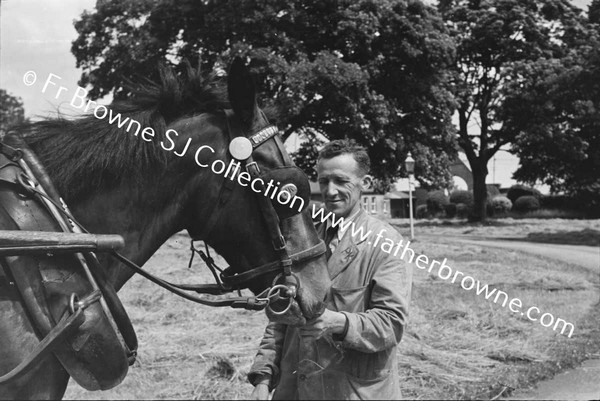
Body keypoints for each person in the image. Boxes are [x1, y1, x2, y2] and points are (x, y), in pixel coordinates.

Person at [248, 139, 413, 400]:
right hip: (295, 391)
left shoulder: (388, 244)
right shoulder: (303, 238)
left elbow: (391, 325)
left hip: (353, 392)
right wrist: (264, 376)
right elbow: (281, 315)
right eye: (323, 181)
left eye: (341, 180)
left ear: (365, 184)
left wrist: (338, 322)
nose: (330, 190)